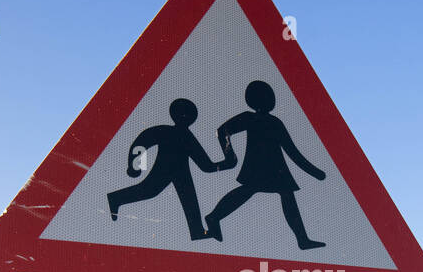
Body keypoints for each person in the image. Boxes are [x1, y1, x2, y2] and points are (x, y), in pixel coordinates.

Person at [203, 80, 327, 249]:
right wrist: (230, 156)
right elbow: (223, 131)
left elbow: (292, 151)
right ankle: (214, 217)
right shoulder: (253, 118)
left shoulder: (272, 122)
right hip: (265, 167)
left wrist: (315, 172)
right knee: (258, 192)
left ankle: (302, 240)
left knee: (274, 194)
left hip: (273, 168)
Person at [107, 98, 232, 240]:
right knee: (150, 190)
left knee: (187, 198)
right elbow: (143, 142)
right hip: (167, 169)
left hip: (180, 172)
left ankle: (197, 231)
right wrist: (136, 166)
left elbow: (205, 165)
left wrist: (135, 166)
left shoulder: (179, 134)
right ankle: (116, 198)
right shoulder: (175, 133)